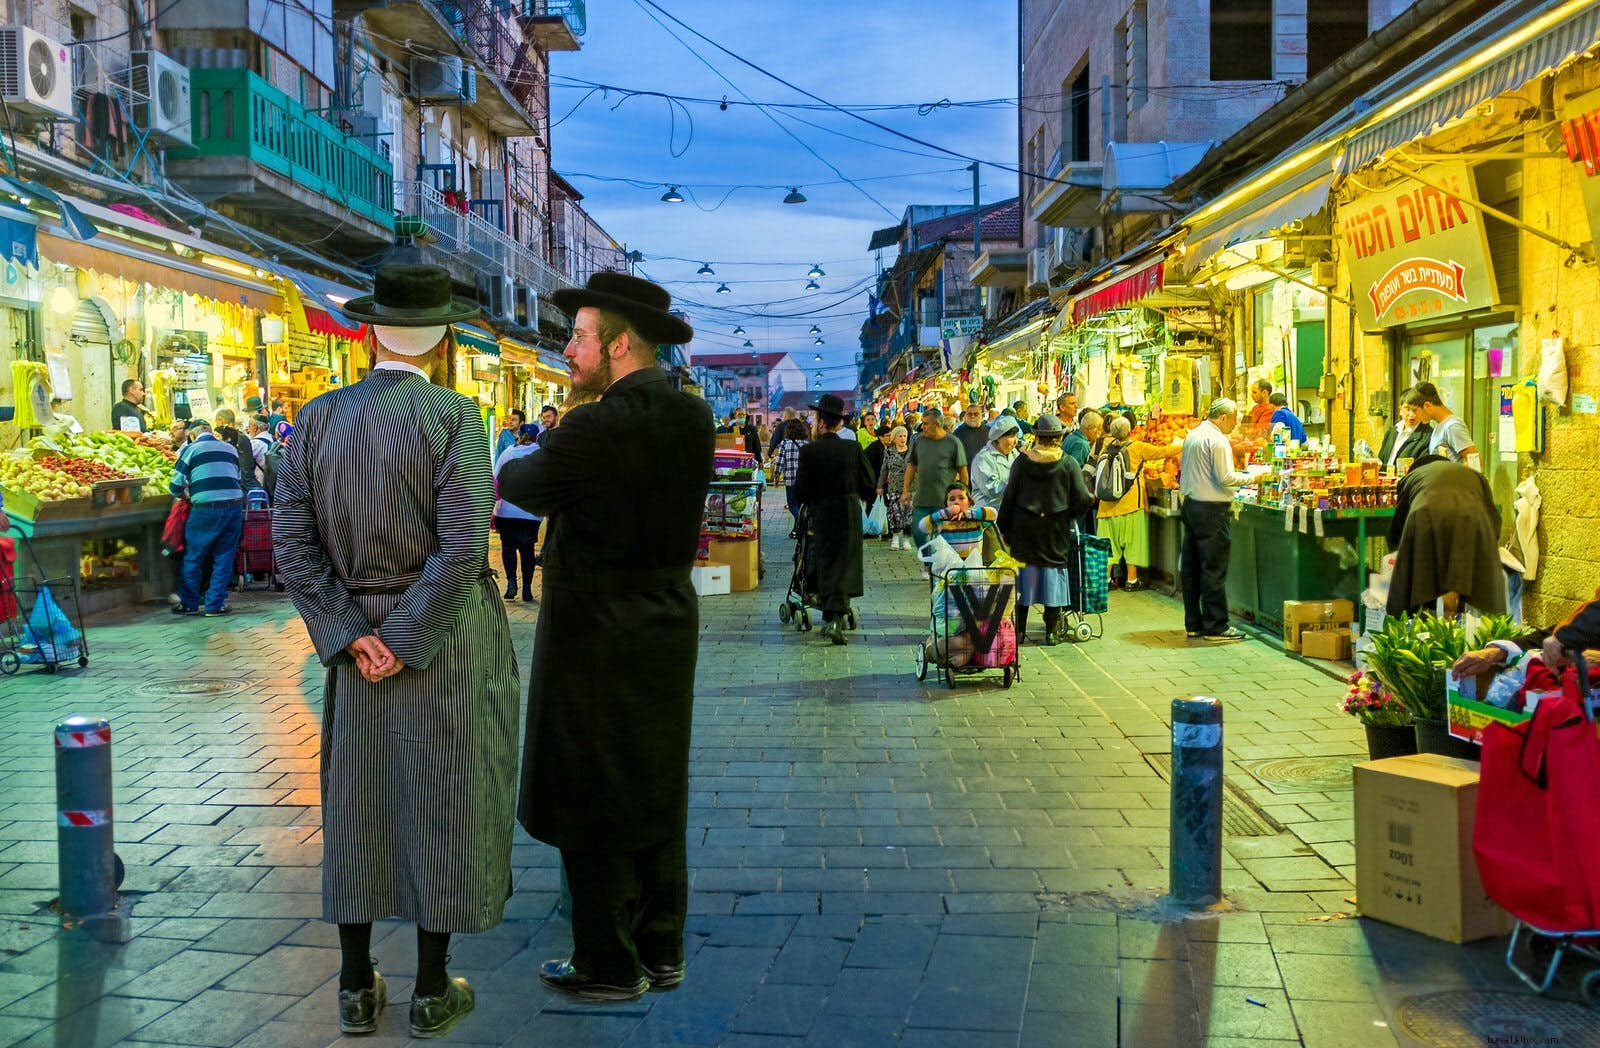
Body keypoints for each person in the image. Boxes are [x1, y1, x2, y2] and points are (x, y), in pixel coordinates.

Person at [272, 264, 519, 1038]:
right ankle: (431, 990)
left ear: (371, 332)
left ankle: (353, 987)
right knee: (441, 801)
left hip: (358, 646)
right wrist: (406, 639)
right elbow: (460, 548)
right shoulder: (456, 418)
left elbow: (292, 539)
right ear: (444, 339)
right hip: (440, 641)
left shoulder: (314, 420)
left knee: (357, 803)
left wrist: (351, 634)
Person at [496, 271, 713, 1003]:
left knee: (591, 786)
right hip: (666, 624)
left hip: (595, 633)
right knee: (655, 780)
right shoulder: (694, 417)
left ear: (618, 344)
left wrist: (554, 434)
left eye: (579, 337)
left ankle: (608, 963)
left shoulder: (592, 427)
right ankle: (662, 947)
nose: (568, 349)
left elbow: (520, 484)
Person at [997, 414, 1094, 645]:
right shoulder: (1068, 463)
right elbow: (1082, 499)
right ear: (1059, 437)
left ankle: (1019, 632)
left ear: (1037, 436)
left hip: (1024, 530)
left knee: (1024, 579)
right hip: (1055, 530)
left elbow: (1009, 498)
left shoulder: (1021, 462)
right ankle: (1051, 633)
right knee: (1053, 578)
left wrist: (1003, 528)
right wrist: (1067, 513)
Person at [793, 393, 877, 645]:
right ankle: (835, 618)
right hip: (849, 512)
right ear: (839, 423)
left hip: (821, 514)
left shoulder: (809, 451)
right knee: (846, 562)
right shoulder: (852, 448)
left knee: (826, 561)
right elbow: (869, 485)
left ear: (821, 423)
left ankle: (831, 617)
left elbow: (800, 492)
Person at [1386, 454, 1505, 618]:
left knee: (1414, 579)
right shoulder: (1475, 476)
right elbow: (1494, 523)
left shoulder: (1411, 478)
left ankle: (1415, 628)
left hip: (1425, 518)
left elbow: (1397, 530)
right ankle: (1475, 631)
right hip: (1472, 521)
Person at [1179, 399, 1250, 641]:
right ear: (1224, 417)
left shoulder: (1193, 435)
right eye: (1234, 417)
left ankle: (1194, 623)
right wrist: (1254, 477)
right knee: (1213, 568)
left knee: (1191, 568)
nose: (1236, 422)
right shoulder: (1218, 440)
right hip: (1211, 512)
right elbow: (1226, 477)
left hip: (1191, 507)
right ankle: (1216, 626)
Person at [1096, 416, 1181, 591]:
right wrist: (1185, 443)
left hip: (1106, 505)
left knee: (1108, 545)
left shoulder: (1104, 447)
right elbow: (1163, 452)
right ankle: (1132, 580)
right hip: (1131, 505)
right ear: (1129, 431)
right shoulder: (1137, 447)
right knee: (1133, 543)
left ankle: (1106, 580)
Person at [168, 419, 243, 617]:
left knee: (194, 556)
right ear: (211, 432)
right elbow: (238, 477)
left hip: (204, 509)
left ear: (192, 435)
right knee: (224, 556)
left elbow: (175, 485)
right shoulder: (230, 449)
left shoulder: (190, 450)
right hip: (234, 507)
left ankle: (189, 603)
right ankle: (215, 604)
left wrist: (188, 495)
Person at [902, 407, 969, 546]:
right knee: (919, 534)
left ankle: (937, 565)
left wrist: (964, 497)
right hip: (922, 499)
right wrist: (905, 490)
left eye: (926, 423)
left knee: (943, 539)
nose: (922, 427)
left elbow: (963, 471)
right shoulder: (919, 442)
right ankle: (928, 563)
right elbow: (911, 466)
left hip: (944, 501)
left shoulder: (953, 442)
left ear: (936, 424)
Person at [494, 423, 543, 602]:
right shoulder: (541, 454)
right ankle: (528, 589)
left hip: (507, 511)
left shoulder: (508, 452)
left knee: (508, 548)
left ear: (519, 436)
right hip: (530, 512)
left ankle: (511, 583)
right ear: (537, 437)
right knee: (527, 550)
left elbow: (496, 477)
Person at [917, 482, 997, 561]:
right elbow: (922, 526)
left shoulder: (976, 521)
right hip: (949, 570)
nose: (956, 502)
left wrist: (965, 514)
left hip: (973, 569)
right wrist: (946, 512)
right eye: (952, 499)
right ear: (947, 504)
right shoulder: (943, 523)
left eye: (961, 498)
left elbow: (993, 513)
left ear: (969, 502)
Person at [1414, 381, 1480, 469]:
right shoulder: (1439, 426)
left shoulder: (1452, 426)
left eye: (1415, 410)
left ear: (1427, 406)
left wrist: (1450, 476)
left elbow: (1475, 462)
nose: (1415, 415)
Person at [969, 415, 1021, 511]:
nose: (1015, 441)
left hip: (1008, 511)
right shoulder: (983, 458)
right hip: (987, 513)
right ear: (998, 438)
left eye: (1016, 436)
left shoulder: (1014, 454)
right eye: (1011, 436)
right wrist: (1020, 485)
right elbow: (992, 489)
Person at [1378, 388, 1433, 471]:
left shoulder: (1427, 436)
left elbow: (1422, 469)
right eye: (1407, 409)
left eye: (1415, 410)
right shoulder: (1391, 432)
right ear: (1400, 409)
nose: (1411, 414)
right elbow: (1380, 461)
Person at [877, 425, 913, 550]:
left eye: (905, 436)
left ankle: (907, 539)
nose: (903, 439)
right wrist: (880, 485)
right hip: (894, 486)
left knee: (909, 514)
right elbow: (884, 470)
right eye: (900, 436)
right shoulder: (888, 452)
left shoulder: (912, 451)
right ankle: (896, 539)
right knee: (894, 513)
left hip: (911, 487)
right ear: (894, 438)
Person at [774, 419, 809, 536]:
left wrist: (776, 476)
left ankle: (801, 524)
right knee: (800, 504)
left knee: (792, 504)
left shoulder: (785, 443)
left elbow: (779, 461)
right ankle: (797, 529)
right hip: (804, 480)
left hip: (790, 479)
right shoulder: (807, 443)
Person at [214, 408, 259, 491]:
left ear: (220, 421)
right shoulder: (242, 437)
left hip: (241, 485)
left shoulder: (230, 438)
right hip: (248, 483)